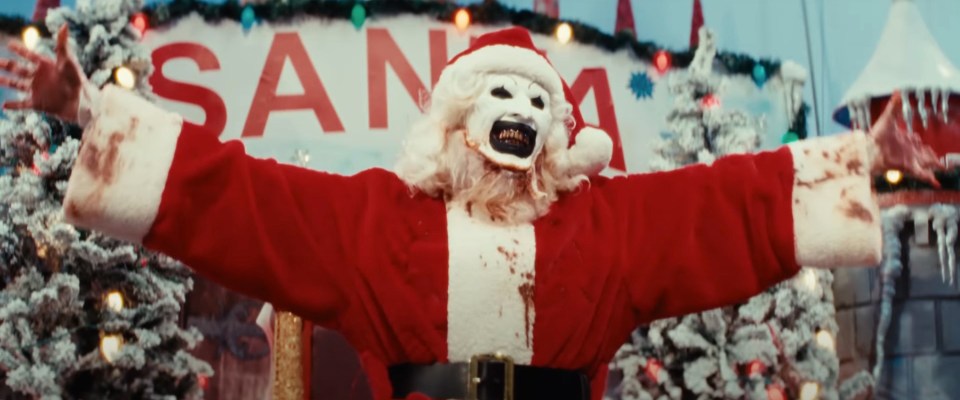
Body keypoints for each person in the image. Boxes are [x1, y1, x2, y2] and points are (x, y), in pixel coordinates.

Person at [0, 25, 941, 400]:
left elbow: (724, 208)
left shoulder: (603, 227)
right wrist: (90, 110)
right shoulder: (378, 227)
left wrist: (863, 159)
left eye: (538, 103)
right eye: (502, 98)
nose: (522, 117)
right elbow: (239, 196)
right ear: (455, 120)